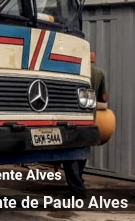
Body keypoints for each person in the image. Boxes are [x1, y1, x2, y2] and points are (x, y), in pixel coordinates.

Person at [62, 52, 108, 198]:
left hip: (72, 117)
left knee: (69, 154)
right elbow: (104, 98)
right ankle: (79, 181)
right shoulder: (99, 73)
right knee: (82, 151)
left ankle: (78, 189)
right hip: (89, 117)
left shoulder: (75, 71)